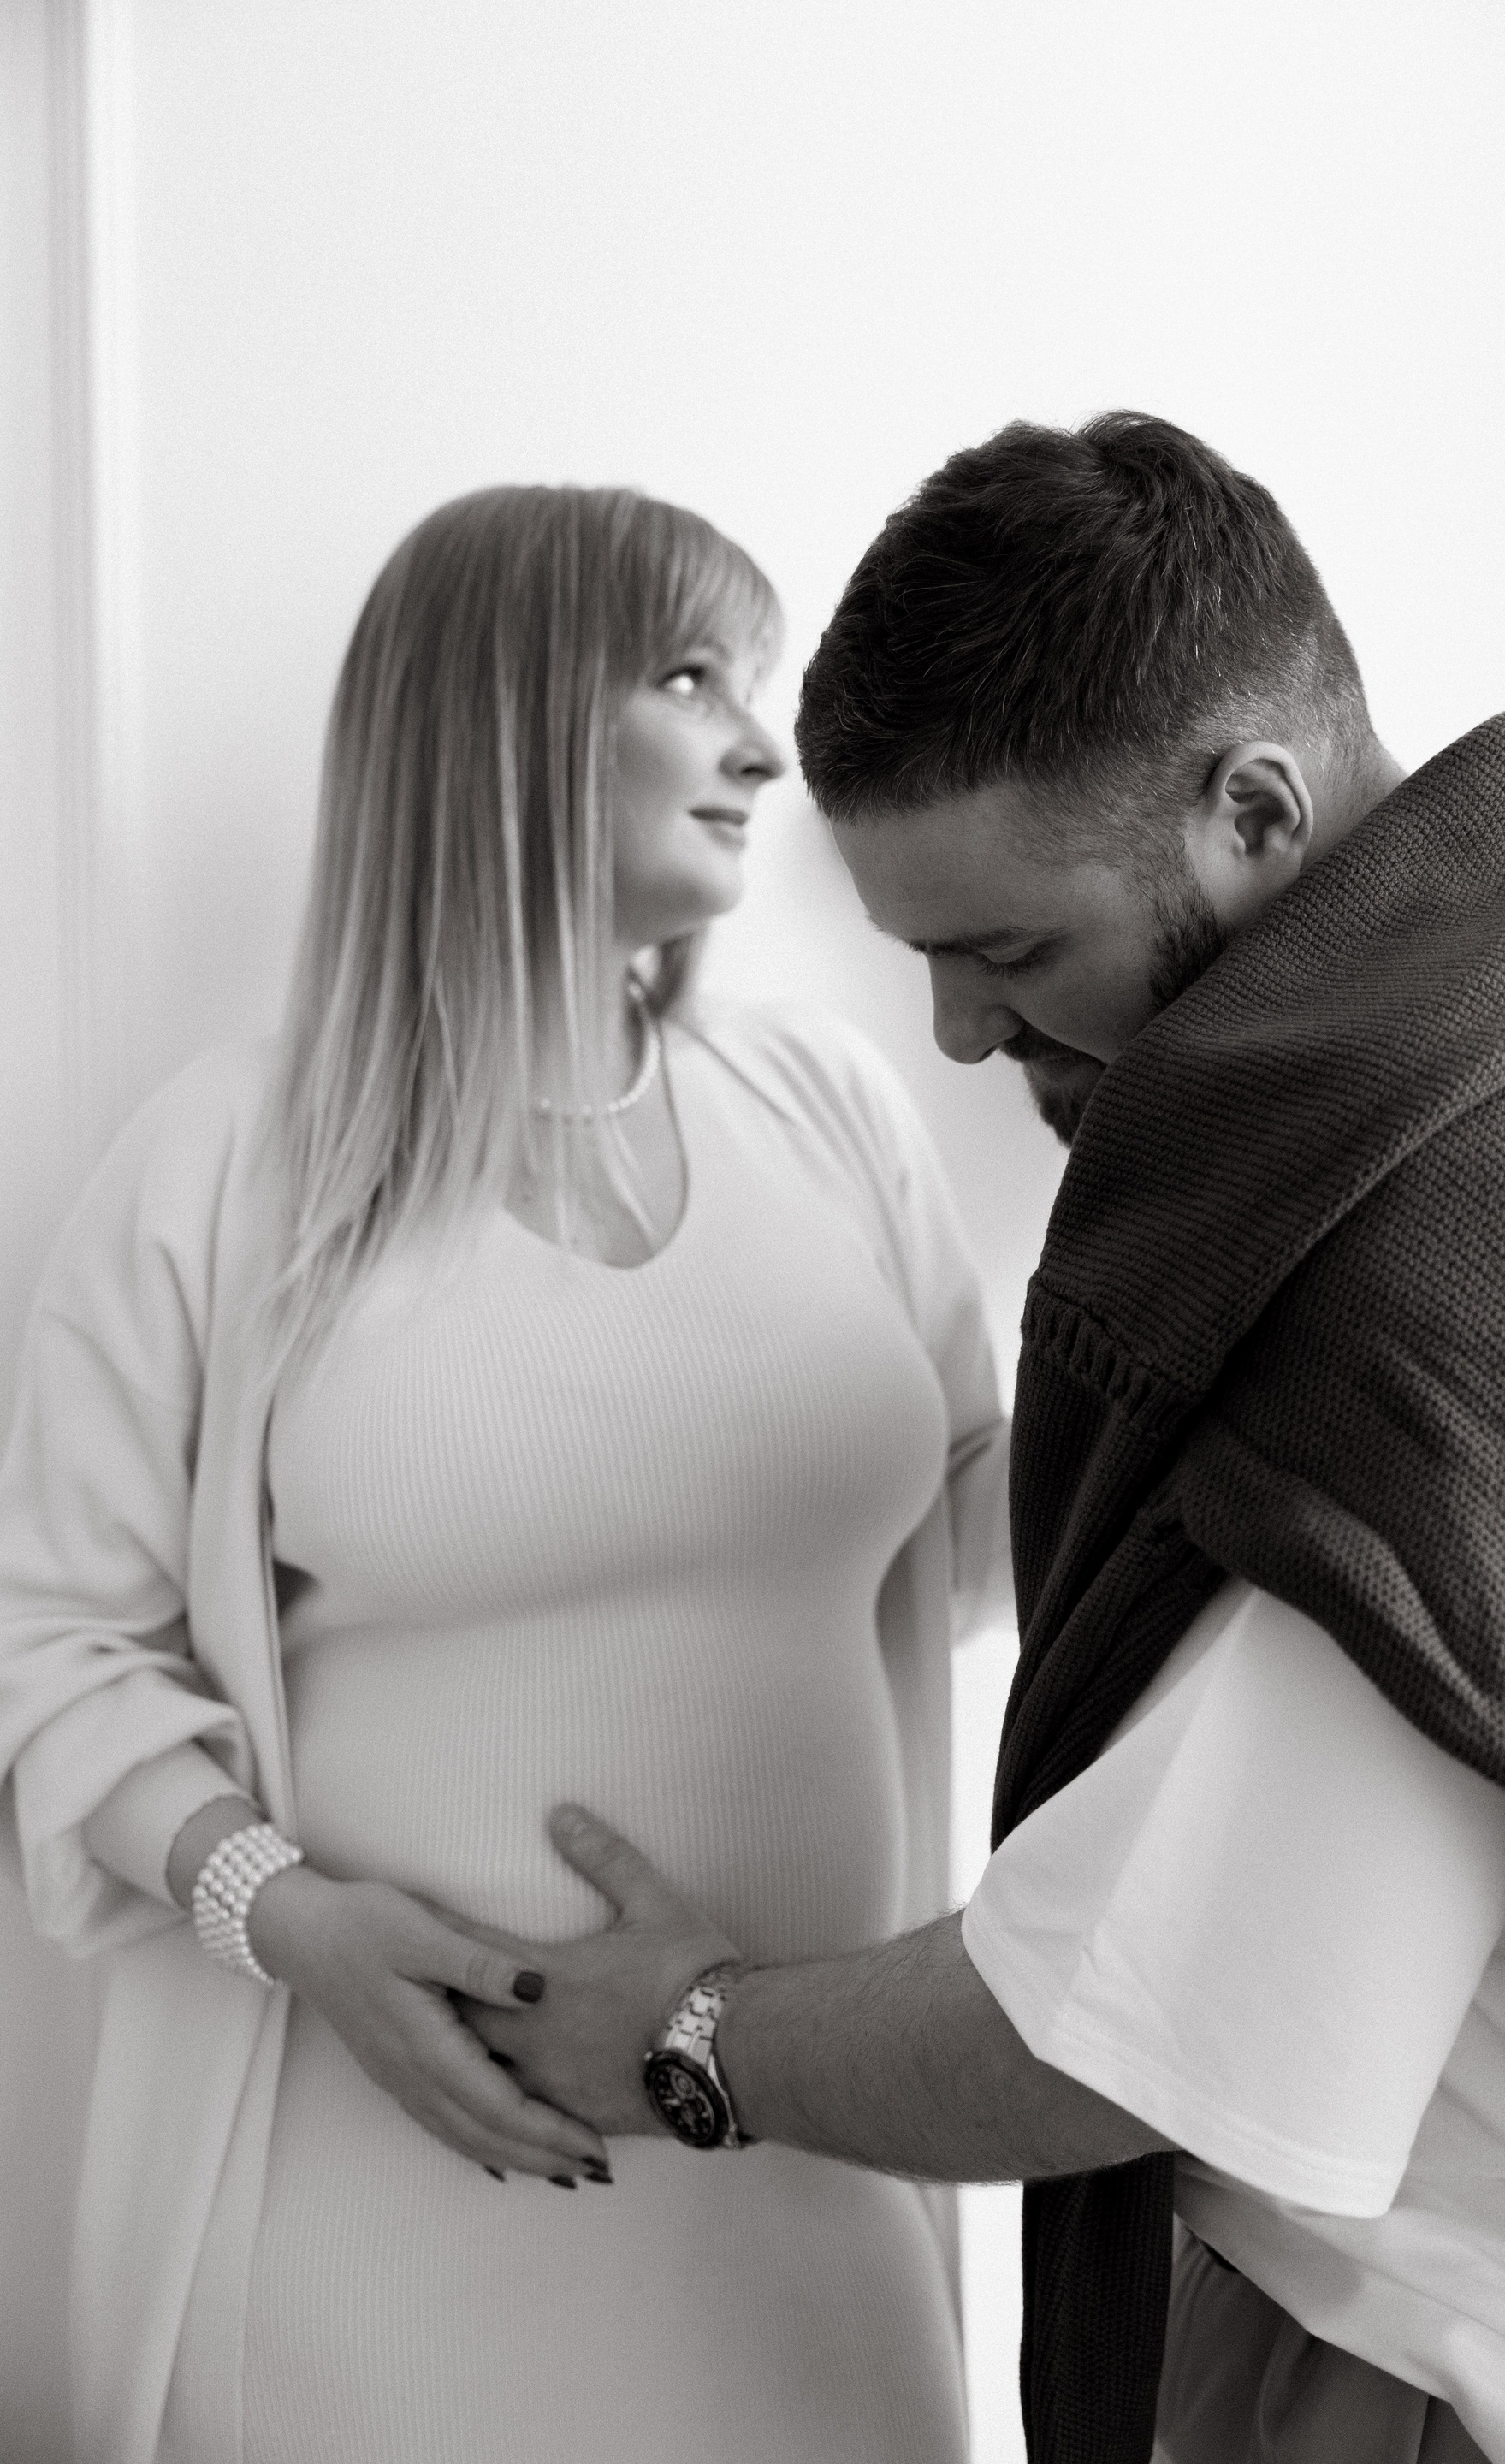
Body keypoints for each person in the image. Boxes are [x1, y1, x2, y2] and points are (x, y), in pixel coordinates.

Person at [452, 416, 1505, 2464]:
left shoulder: (1385, 1329)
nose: (958, 1035)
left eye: (1007, 953)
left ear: (1255, 813)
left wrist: (690, 2034)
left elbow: (1119, 2036)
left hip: (1449, 2376)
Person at [0, 483, 1010, 2464]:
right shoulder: (227, 1164)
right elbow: (54, 1649)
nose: (764, 749)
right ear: (508, 714)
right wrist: (289, 1918)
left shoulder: (831, 1108)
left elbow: (975, 1530)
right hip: (388, 2208)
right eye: (693, 678)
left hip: (809, 2171)